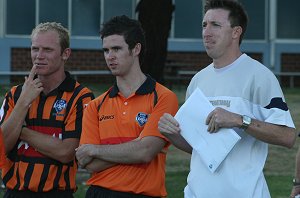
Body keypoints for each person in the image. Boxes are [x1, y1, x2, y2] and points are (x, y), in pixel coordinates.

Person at [158, 0, 296, 197]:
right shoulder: (198, 81)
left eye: (216, 25)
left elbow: (288, 136)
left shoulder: (259, 76)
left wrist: (239, 120)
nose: (207, 32)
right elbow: (200, 147)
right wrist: (172, 134)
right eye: (204, 25)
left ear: (235, 32)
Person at [75, 15, 178, 198]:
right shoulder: (95, 106)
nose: (110, 57)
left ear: (136, 48)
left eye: (117, 49)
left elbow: (146, 152)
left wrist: (96, 149)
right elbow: (89, 163)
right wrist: (135, 146)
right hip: (99, 193)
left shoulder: (163, 97)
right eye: (106, 50)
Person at [0, 22, 94, 197]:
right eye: (35, 48)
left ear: (65, 54)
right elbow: (2, 146)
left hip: (57, 193)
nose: (39, 56)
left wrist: (22, 131)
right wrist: (23, 103)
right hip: (16, 192)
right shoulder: (15, 95)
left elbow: (66, 152)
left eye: (47, 50)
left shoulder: (80, 97)